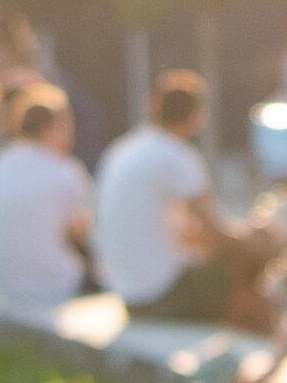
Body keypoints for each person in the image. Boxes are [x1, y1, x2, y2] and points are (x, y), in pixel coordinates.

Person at [95, 71, 264, 319]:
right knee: (255, 253)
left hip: (125, 295)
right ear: (198, 116)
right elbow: (216, 233)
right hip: (159, 296)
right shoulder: (178, 156)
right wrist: (257, 242)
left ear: (154, 106)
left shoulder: (121, 149)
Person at [0, 90, 95, 308]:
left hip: (2, 279)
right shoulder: (68, 171)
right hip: (56, 283)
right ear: (49, 128)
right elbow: (80, 231)